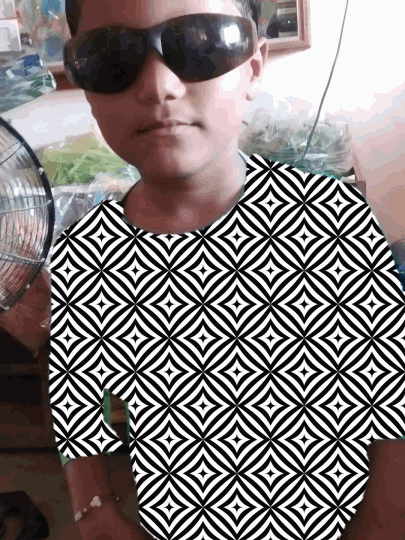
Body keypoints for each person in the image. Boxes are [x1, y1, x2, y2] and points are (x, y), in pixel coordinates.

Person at [1, 0, 405, 538]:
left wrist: (383, 520)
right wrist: (94, 510)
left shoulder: (333, 219)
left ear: (254, 68)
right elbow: (78, 406)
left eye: (200, 45)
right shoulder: (87, 250)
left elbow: (390, 401)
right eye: (111, 57)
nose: (159, 87)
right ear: (85, 85)